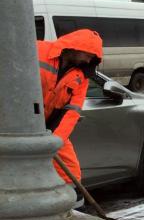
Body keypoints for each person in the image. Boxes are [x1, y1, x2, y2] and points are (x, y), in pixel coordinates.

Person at [37, 29, 103, 206]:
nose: (90, 61)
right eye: (90, 55)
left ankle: (74, 211)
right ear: (77, 47)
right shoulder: (38, 50)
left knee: (71, 172)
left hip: (52, 125)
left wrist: (56, 141)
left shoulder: (82, 77)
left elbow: (72, 111)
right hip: (20, 123)